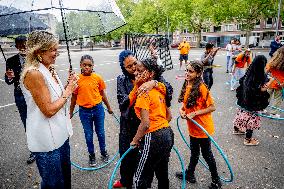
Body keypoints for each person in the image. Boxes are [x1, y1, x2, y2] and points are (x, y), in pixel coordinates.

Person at [21, 30, 78, 188]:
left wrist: (68, 85)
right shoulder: (34, 74)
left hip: (61, 135)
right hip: (47, 143)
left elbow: (57, 98)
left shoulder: (48, 69)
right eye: (53, 49)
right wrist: (68, 92)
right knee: (54, 184)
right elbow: (48, 110)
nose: (56, 53)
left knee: (65, 180)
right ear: (39, 51)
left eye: (57, 49)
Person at [114, 50, 173, 188]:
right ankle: (125, 181)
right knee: (127, 156)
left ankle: (142, 182)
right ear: (124, 68)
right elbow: (123, 105)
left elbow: (168, 92)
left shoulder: (151, 79)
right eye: (129, 67)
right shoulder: (122, 80)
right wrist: (136, 87)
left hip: (148, 128)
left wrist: (154, 83)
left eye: (135, 63)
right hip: (130, 126)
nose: (134, 68)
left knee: (148, 166)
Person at [176, 61, 221, 189]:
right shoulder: (187, 84)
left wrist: (194, 113)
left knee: (207, 155)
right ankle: (190, 174)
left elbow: (212, 107)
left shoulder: (202, 87)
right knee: (194, 153)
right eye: (187, 70)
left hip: (203, 128)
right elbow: (185, 106)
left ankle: (216, 180)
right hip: (193, 128)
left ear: (198, 73)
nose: (187, 73)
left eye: (190, 71)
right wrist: (181, 111)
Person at [131, 58, 174, 189]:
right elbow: (169, 116)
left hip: (153, 136)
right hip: (168, 133)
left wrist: (135, 140)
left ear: (150, 73)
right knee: (162, 171)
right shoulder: (160, 90)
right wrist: (161, 129)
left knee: (139, 177)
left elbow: (145, 124)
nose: (136, 73)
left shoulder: (144, 93)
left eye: (140, 71)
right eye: (135, 71)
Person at [69, 55, 113, 167]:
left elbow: (102, 94)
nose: (87, 67)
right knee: (88, 134)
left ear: (93, 66)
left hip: (98, 109)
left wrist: (109, 107)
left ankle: (104, 152)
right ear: (80, 65)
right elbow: (73, 98)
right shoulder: (77, 80)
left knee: (101, 133)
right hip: (84, 111)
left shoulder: (97, 77)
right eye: (84, 65)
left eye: (89, 65)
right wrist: (70, 112)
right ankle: (91, 155)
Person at [4, 35, 36, 164]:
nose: (23, 47)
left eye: (25, 44)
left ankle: (43, 144)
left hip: (34, 94)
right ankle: (33, 150)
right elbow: (7, 80)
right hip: (20, 95)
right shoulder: (10, 61)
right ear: (16, 46)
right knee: (27, 122)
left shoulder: (35, 58)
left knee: (38, 119)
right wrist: (10, 77)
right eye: (20, 45)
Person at [233, 55, 273, 145]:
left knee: (242, 114)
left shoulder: (249, 72)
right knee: (252, 119)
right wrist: (270, 81)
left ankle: (237, 129)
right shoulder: (258, 76)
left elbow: (243, 83)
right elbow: (262, 89)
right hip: (252, 103)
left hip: (244, 100)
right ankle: (248, 139)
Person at [265, 46, 284, 118]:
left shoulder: (273, 60)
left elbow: (266, 70)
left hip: (271, 82)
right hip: (280, 84)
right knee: (277, 99)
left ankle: (261, 108)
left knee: (266, 96)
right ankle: (273, 113)